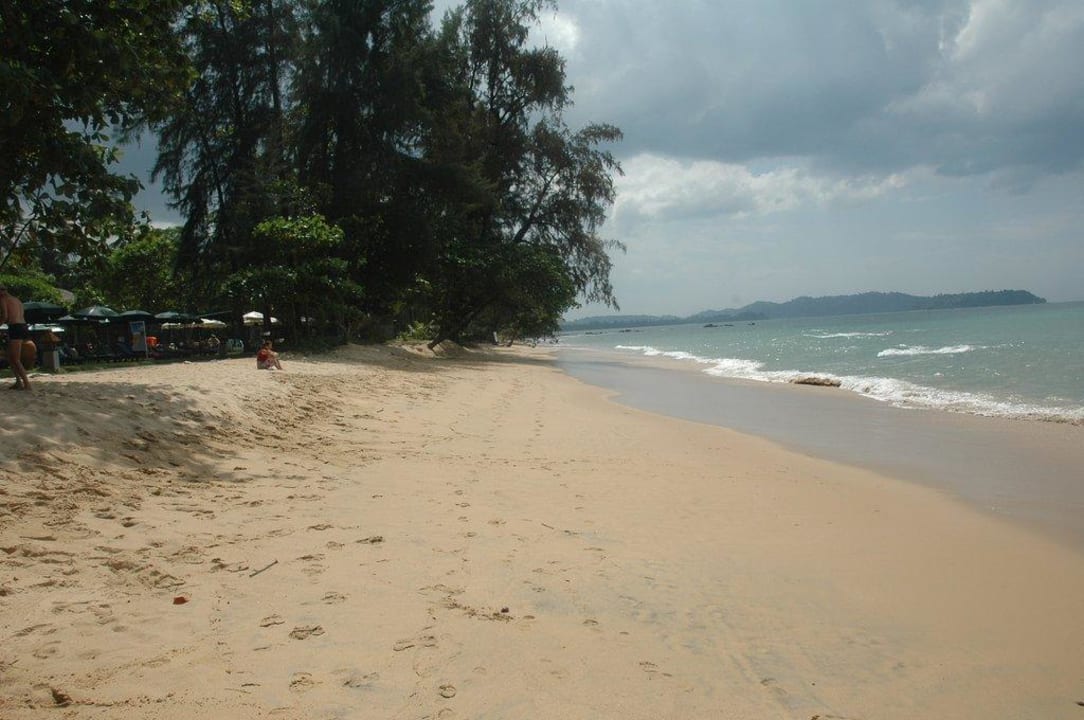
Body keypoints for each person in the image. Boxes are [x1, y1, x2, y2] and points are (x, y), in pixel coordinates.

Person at [0, 285, 31, 390]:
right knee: (10, 357)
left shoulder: (3, 299)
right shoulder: (17, 300)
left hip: (16, 327)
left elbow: (5, 316)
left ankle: (27, 384)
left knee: (16, 359)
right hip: (23, 326)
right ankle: (18, 382)